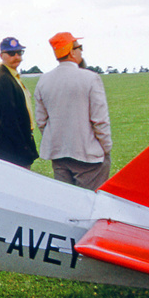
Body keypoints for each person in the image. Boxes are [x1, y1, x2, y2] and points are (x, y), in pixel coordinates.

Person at [34, 33, 113, 189]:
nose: (81, 52)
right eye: (79, 48)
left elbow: (41, 121)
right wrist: (106, 148)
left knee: (66, 202)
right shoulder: (91, 78)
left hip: (58, 155)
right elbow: (100, 120)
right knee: (90, 205)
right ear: (71, 51)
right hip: (89, 156)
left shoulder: (43, 80)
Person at [0, 37, 38, 168]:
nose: (17, 57)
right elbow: (8, 120)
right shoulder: (3, 79)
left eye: (19, 52)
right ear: (1, 55)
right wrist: (23, 148)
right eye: (11, 53)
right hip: (12, 151)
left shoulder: (12, 76)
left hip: (18, 147)